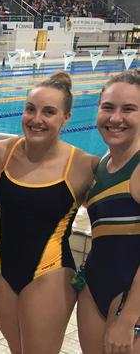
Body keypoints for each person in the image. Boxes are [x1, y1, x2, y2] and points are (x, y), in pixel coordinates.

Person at [0, 72, 99, 353]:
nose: (36, 119)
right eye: (30, 109)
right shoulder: (0, 152)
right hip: (3, 271)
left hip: (50, 273)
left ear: (66, 118)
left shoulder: (83, 165)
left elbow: (111, 222)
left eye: (49, 112)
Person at [77, 69, 140, 354]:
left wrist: (128, 319)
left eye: (129, 109)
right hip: (94, 286)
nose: (115, 118)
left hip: (132, 300)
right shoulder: (103, 163)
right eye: (108, 107)